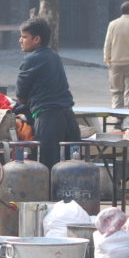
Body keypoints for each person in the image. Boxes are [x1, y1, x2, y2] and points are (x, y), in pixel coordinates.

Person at [14, 17, 79, 168]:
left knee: (48, 164)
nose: (20, 40)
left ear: (36, 39)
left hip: (48, 118)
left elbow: (21, 94)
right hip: (68, 116)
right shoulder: (54, 56)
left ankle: (50, 192)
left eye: (24, 37)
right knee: (72, 164)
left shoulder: (31, 60)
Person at [102, 1, 129, 108]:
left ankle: (118, 118)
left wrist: (108, 60)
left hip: (116, 64)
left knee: (116, 92)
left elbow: (107, 44)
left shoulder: (112, 24)